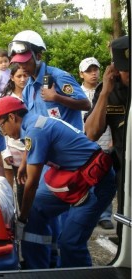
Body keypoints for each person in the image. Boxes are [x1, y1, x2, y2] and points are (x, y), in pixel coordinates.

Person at [0, 96, 116, 268]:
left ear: (12, 117)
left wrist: (22, 219)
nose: (4, 133)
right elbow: (32, 146)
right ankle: (38, 266)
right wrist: (24, 163)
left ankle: (76, 273)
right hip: (76, 176)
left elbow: (32, 184)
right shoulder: (33, 122)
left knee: (70, 243)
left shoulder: (34, 131)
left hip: (95, 184)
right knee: (36, 207)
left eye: (1, 126)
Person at [9, 30, 91, 268]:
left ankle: (70, 267)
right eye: (18, 63)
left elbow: (86, 103)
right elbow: (31, 130)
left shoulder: (58, 77)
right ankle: (46, 264)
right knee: (42, 219)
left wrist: (57, 97)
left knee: (65, 224)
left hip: (69, 165)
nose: (23, 68)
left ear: (38, 54)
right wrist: (24, 160)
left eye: (26, 61)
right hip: (42, 163)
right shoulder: (27, 89)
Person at [84, 35, 130, 238]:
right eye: (126, 70)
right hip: (125, 172)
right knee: (126, 230)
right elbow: (92, 133)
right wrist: (104, 94)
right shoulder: (109, 89)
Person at [79, 57, 114, 230]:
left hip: (106, 142)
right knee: (87, 180)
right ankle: (86, 214)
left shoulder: (106, 89)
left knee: (106, 179)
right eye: (89, 70)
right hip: (86, 144)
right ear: (81, 74)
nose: (93, 73)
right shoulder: (77, 94)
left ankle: (105, 215)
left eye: (96, 70)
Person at [0, 63, 28, 207]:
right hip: (14, 148)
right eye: (19, 76)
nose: (23, 79)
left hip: (33, 146)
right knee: (21, 185)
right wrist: (5, 152)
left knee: (36, 184)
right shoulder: (6, 99)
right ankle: (23, 216)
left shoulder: (35, 94)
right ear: (12, 77)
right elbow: (1, 128)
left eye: (25, 75)